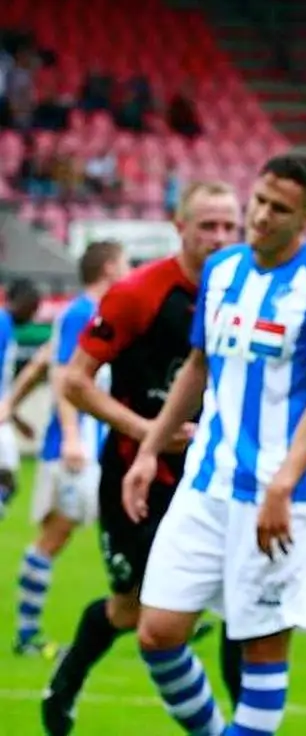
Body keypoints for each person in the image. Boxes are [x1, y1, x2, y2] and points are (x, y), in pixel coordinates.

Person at [123, 153, 306, 735]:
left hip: (280, 495)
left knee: (261, 653)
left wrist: (283, 485)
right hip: (207, 482)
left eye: (279, 208)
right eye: (258, 201)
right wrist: (151, 449)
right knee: (157, 633)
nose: (260, 216)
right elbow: (197, 366)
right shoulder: (222, 270)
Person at [40, 181, 243, 735]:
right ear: (180, 227)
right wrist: (147, 432)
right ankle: (66, 681)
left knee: (242, 606)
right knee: (132, 611)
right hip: (137, 475)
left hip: (215, 477)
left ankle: (244, 726)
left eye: (229, 226)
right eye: (208, 226)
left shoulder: (248, 296)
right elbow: (75, 381)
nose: (220, 237)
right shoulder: (138, 293)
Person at [14, 243, 128, 658]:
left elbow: (42, 362)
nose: (129, 269)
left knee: (129, 526)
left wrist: (11, 405)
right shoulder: (81, 312)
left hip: (96, 448)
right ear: (109, 267)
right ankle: (26, 634)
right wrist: (71, 436)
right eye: (124, 262)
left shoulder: (95, 314)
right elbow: (62, 374)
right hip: (74, 450)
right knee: (55, 536)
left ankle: (160, 617)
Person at [0, 278, 43, 518]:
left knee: (8, 480)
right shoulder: (2, 325)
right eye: (33, 307)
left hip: (4, 416)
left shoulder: (7, 328)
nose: (34, 315)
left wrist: (16, 420)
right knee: (7, 478)